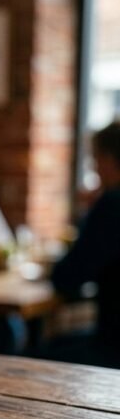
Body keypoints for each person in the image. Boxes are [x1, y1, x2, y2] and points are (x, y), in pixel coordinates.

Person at [50, 121, 120, 367]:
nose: (95, 169)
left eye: (95, 160)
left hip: (112, 348)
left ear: (109, 159)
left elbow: (67, 277)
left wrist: (88, 214)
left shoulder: (112, 205)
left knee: (18, 360)